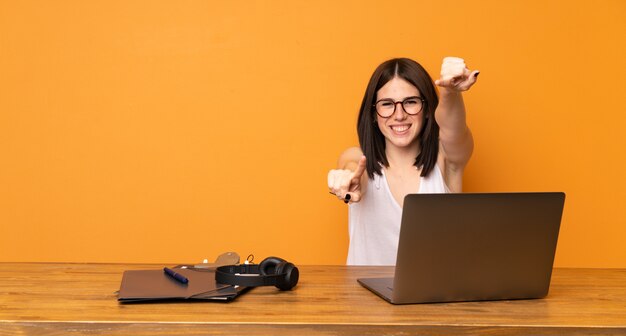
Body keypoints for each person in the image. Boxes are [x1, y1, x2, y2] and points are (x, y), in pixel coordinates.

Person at [327, 57, 479, 265]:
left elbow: (453, 128)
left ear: (427, 110)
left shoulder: (447, 160)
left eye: (411, 102)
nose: (399, 115)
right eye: (387, 104)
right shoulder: (357, 160)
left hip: (434, 296)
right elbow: (351, 168)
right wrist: (346, 180)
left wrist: (450, 93)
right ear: (373, 113)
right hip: (362, 297)